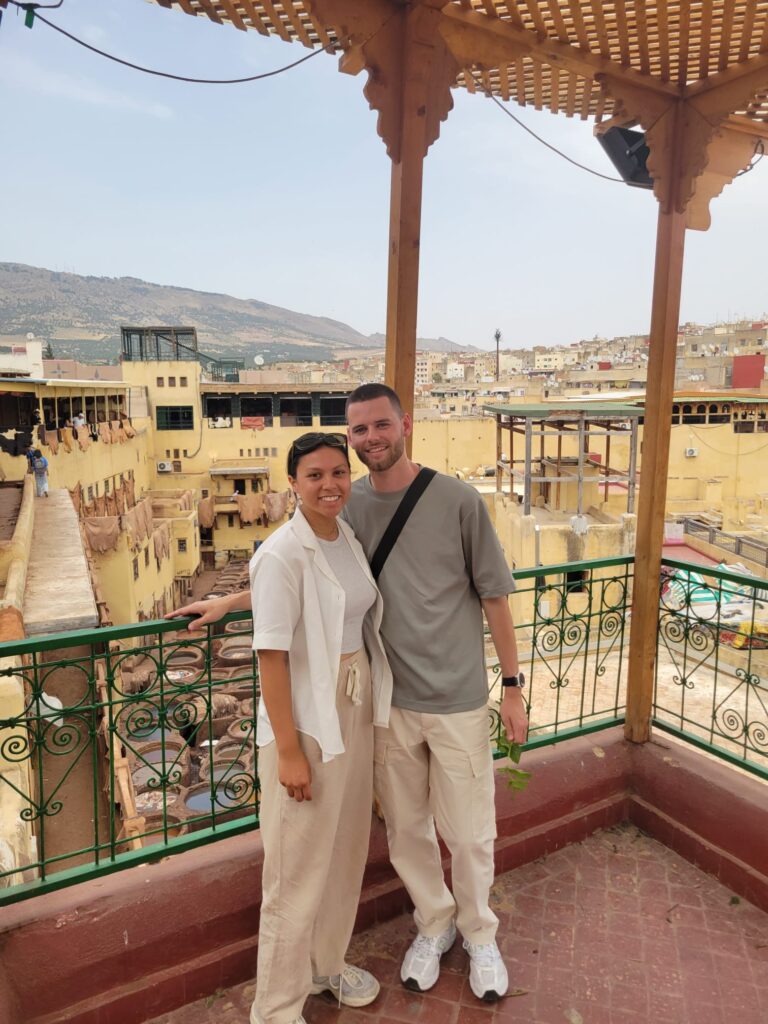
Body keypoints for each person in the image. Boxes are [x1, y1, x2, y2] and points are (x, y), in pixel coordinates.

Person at [169, 386, 528, 1005]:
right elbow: (291, 577)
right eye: (356, 431)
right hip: (376, 705)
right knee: (403, 833)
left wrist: (515, 688)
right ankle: (431, 925)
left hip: (438, 697)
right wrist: (230, 602)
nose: (367, 442)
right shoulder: (344, 504)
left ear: (403, 425)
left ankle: (478, 936)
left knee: (460, 833)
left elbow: (494, 595)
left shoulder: (449, 502)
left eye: (378, 427)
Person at [171, 432, 392, 1024]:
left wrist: (227, 601)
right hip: (306, 718)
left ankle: (325, 966)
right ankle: (275, 1009)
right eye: (314, 475)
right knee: (294, 873)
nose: (329, 484)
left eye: (339, 472)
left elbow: (320, 594)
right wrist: (289, 752)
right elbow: (272, 656)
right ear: (292, 483)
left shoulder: (343, 535)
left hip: (353, 702)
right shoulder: (279, 550)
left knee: (345, 851)